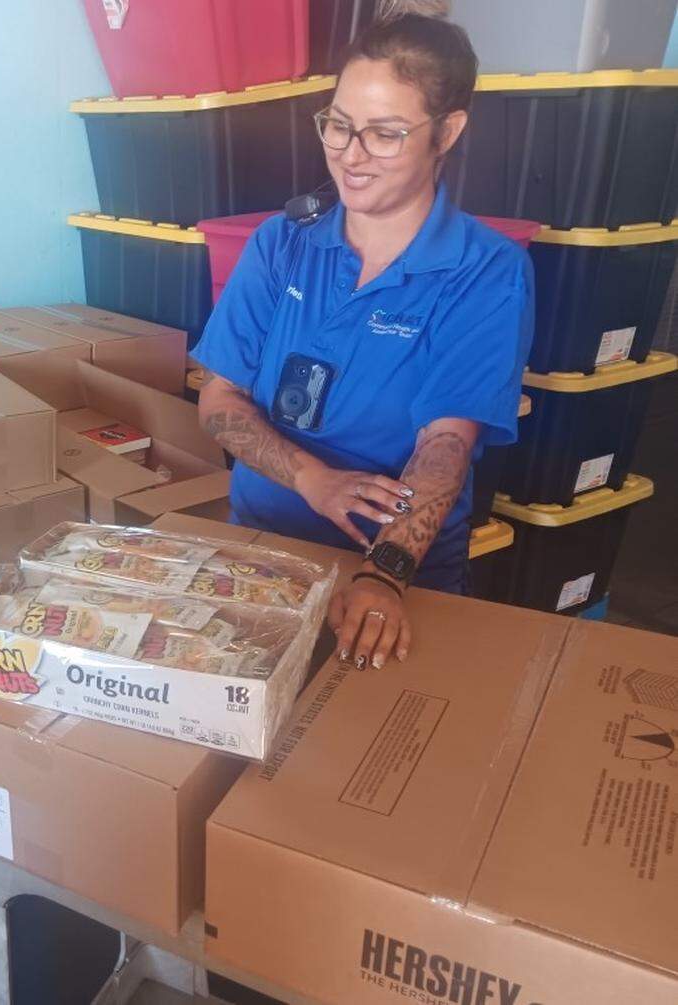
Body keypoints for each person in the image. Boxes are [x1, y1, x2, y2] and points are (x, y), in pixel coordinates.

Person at [194, 1, 534, 673]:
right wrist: (312, 478)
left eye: (384, 134)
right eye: (338, 125)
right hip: (260, 551)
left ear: (447, 132)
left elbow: (445, 445)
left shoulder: (486, 271)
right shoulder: (280, 243)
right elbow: (218, 402)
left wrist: (382, 576)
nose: (350, 156)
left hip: (394, 577)